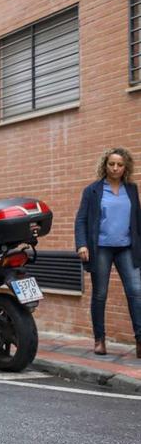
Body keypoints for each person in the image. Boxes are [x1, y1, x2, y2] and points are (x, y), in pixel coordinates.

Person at [75, 147, 141, 359]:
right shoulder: (92, 190)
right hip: (100, 248)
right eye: (111, 164)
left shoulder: (131, 189)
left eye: (119, 165)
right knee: (100, 294)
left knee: (136, 291)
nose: (115, 168)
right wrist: (82, 244)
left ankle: (140, 340)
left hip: (127, 248)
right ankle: (99, 339)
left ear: (125, 167)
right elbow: (81, 219)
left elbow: (136, 221)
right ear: (105, 165)